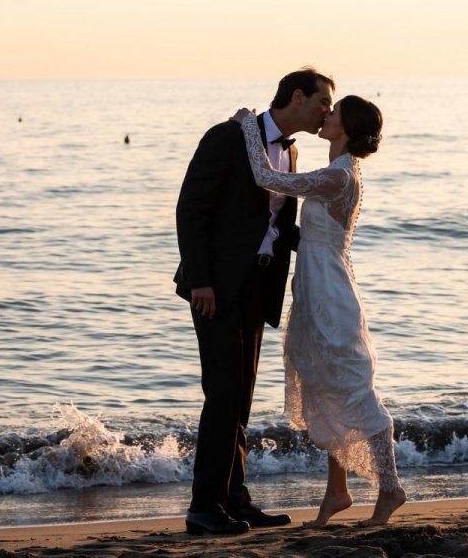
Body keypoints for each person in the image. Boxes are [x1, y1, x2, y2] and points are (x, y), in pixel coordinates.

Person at [230, 95, 406, 527]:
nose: (326, 116)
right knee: (325, 389)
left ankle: (390, 487)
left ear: (344, 128)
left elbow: (265, 177)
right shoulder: (338, 172)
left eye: (334, 113)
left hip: (331, 294)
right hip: (314, 287)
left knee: (353, 390)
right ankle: (337, 492)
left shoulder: (338, 175)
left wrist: (248, 126)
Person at [174, 67, 335, 535]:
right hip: (216, 288)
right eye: (324, 101)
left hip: (257, 286)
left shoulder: (291, 152)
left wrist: (324, 245)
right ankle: (204, 507)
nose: (327, 110)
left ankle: (234, 499)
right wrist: (201, 279)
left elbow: (276, 226)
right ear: (299, 97)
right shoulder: (227, 136)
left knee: (240, 398)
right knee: (223, 395)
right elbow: (191, 208)